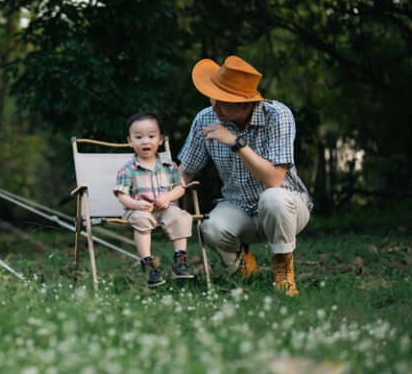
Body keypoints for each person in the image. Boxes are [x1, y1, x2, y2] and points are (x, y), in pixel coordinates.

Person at [177, 55, 311, 296]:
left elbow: (274, 180)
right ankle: (243, 266)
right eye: (212, 98)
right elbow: (186, 170)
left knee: (273, 198)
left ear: (245, 104)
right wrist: (165, 200)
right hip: (238, 206)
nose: (214, 108)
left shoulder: (277, 115)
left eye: (223, 103)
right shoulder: (205, 118)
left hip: (286, 208)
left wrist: (236, 143)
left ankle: (283, 269)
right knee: (210, 227)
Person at [113, 112, 194, 288]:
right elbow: (121, 194)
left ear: (160, 140)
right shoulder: (127, 170)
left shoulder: (169, 166)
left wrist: (168, 196)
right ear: (130, 141)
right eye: (139, 137)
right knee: (142, 220)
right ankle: (148, 264)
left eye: (151, 136)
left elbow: (180, 187)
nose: (145, 141)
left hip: (166, 208)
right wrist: (136, 204)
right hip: (140, 210)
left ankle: (181, 259)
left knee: (179, 216)